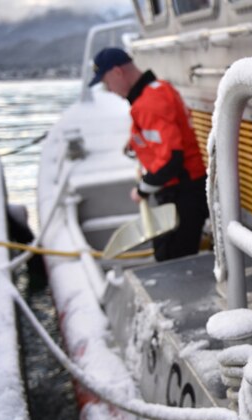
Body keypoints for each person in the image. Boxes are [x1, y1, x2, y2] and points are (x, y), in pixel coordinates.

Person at [89, 47, 208, 261]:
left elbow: (172, 159)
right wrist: (135, 143)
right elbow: (162, 134)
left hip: (182, 194)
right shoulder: (157, 89)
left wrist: (142, 189)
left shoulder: (149, 103)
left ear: (117, 72)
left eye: (106, 83)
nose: (109, 90)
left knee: (172, 260)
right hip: (184, 190)